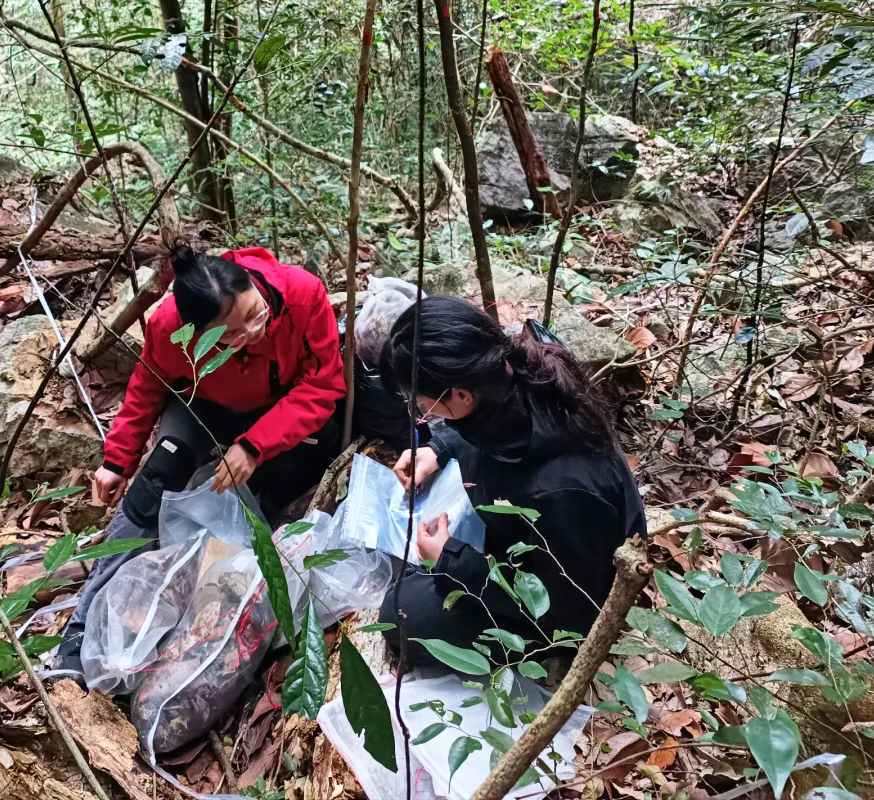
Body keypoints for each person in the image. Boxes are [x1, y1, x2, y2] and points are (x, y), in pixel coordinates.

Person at [50, 242, 345, 681]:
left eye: (256, 313)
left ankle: (202, 612)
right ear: (200, 335)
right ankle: (78, 636)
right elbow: (148, 387)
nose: (253, 332)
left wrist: (254, 445)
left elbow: (323, 386)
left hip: (281, 415)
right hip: (204, 407)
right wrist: (117, 460)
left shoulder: (302, 294)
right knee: (157, 483)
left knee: (264, 497)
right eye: (232, 334)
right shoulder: (170, 327)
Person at [378, 296, 645, 667]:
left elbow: (573, 608)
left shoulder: (561, 486)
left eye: (421, 404)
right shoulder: (513, 371)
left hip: (570, 598)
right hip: (533, 535)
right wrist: (438, 449)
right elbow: (481, 429)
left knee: (400, 614)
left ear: (460, 395)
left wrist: (451, 561)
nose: (422, 413)